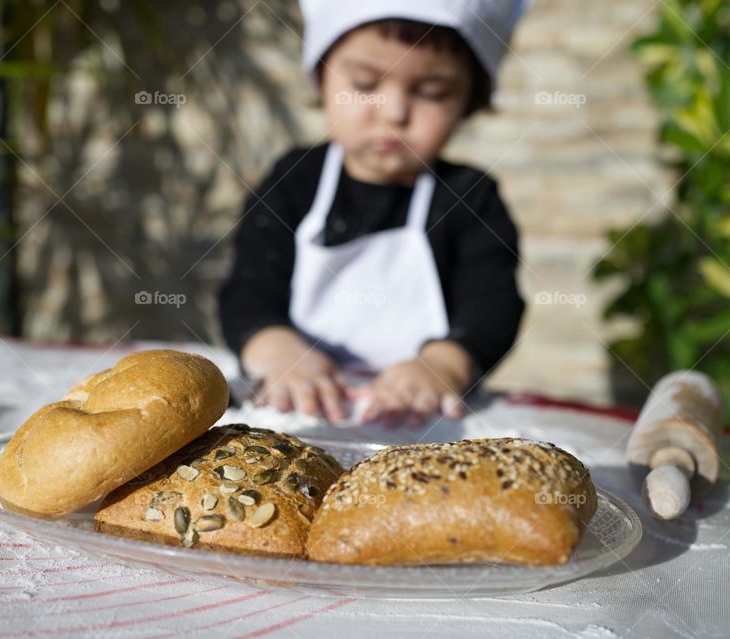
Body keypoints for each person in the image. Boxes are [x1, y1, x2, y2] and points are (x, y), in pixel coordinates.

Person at [219, 0, 529, 426]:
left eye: (432, 92)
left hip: (424, 420)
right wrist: (274, 349)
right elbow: (247, 290)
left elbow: (492, 305)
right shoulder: (295, 180)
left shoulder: (468, 196)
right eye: (365, 84)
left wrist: (444, 364)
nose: (395, 112)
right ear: (321, 77)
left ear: (467, 100)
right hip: (294, 410)